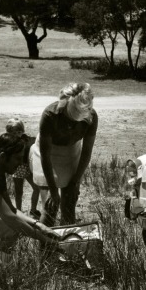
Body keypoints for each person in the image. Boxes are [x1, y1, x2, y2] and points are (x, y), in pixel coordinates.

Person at [0, 133, 60, 276]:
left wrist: (39, 225)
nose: (20, 163)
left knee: (13, 231)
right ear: (2, 156)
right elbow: (11, 219)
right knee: (3, 265)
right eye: (17, 159)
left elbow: (12, 210)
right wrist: (45, 240)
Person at [30, 83, 98, 227]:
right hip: (50, 154)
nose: (72, 123)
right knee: (50, 207)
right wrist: (53, 189)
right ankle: (45, 246)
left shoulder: (91, 117)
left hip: (72, 152)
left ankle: (68, 244)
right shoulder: (50, 115)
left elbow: (86, 152)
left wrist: (75, 181)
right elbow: (45, 155)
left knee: (69, 204)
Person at [5, 118, 40, 218]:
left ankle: (33, 210)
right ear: (9, 132)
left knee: (36, 188)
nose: (17, 134)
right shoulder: (9, 141)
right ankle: (19, 212)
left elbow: (36, 140)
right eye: (14, 132)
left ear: (22, 131)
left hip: (27, 166)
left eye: (19, 132)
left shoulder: (27, 139)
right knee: (19, 192)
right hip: (17, 168)